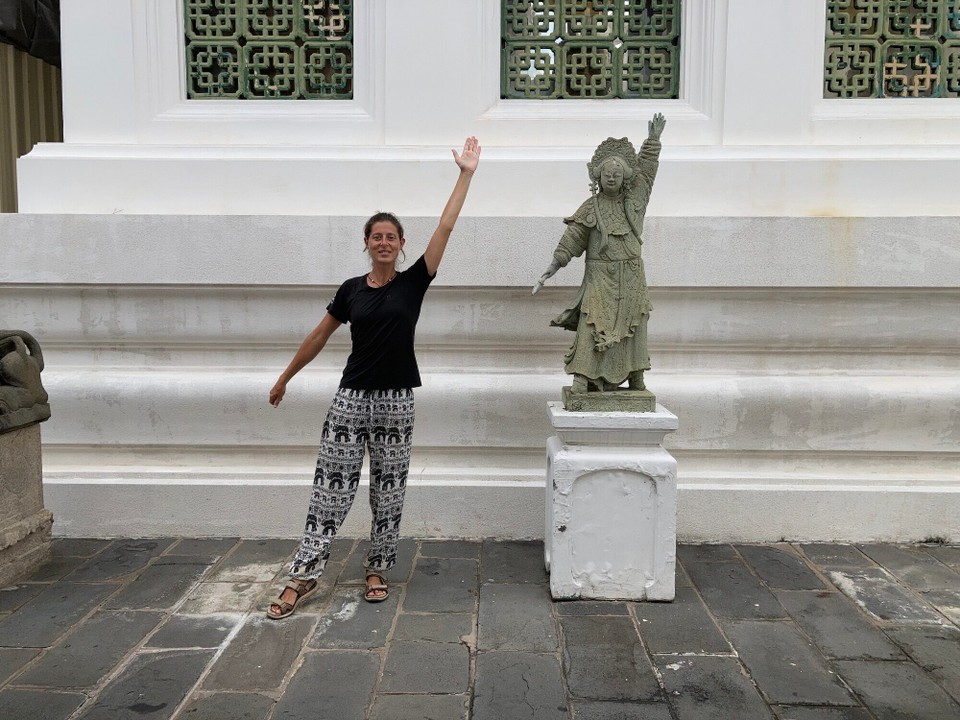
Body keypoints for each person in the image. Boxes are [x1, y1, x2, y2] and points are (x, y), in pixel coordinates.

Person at [266, 137, 481, 618]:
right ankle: (302, 578)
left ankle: (378, 569)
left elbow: (445, 226)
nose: (384, 242)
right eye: (376, 236)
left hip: (396, 400)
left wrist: (465, 174)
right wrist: (285, 377)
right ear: (366, 243)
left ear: (401, 245)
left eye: (392, 236)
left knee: (390, 488)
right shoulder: (349, 291)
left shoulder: (414, 281)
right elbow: (319, 336)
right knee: (330, 488)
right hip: (350, 399)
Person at [533, 114, 665, 394]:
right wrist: (552, 266)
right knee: (591, 321)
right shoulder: (590, 208)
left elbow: (648, 173)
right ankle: (582, 376)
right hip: (599, 278)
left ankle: (636, 376)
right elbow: (573, 239)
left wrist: (653, 142)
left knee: (636, 322)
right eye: (607, 175)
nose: (612, 178)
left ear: (626, 177)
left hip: (630, 276)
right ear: (598, 176)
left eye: (617, 175)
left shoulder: (635, 201)